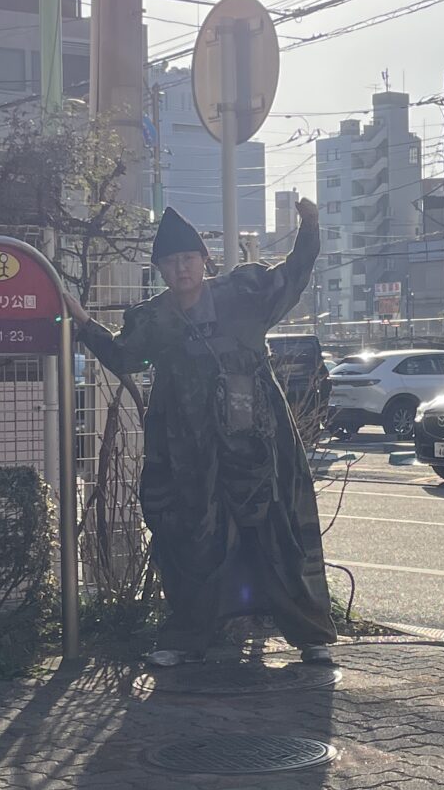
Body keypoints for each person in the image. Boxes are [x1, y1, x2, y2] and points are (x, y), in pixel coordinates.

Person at [70, 199, 335, 665]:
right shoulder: (154, 319)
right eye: (171, 262)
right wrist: (84, 323)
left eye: (188, 258)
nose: (181, 268)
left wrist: (309, 226)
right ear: (160, 270)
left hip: (258, 442)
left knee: (279, 529)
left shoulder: (243, 294)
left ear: (203, 260)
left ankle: (310, 637)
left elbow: (293, 275)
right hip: (188, 451)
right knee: (191, 537)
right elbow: (123, 356)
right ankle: (185, 639)